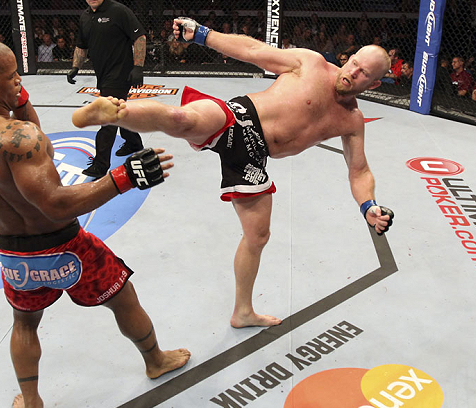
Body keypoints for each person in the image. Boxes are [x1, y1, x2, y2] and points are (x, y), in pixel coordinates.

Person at [72, 17, 395, 328]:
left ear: (375, 83)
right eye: (353, 62)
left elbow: (359, 170)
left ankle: (242, 312)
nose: (352, 72)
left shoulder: (351, 121)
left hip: (254, 158)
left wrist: (369, 206)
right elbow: (253, 52)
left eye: (363, 73)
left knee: (258, 236)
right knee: (182, 120)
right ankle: (116, 112)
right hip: (239, 117)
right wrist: (202, 35)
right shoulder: (310, 64)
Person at [0, 39, 190, 408]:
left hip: (15, 257)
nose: (19, 83)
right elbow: (55, 202)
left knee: (25, 324)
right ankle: (155, 360)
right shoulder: (18, 138)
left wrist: (20, 100)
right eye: (12, 77)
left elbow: (23, 150)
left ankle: (32, 407)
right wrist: (124, 177)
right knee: (124, 299)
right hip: (67, 247)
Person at [67, 0, 146, 179]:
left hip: (120, 73)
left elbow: (139, 37)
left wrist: (138, 67)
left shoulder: (119, 11)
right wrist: (75, 66)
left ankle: (101, 165)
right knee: (119, 110)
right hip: (102, 74)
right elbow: (81, 45)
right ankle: (134, 143)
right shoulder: (85, 17)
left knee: (107, 119)